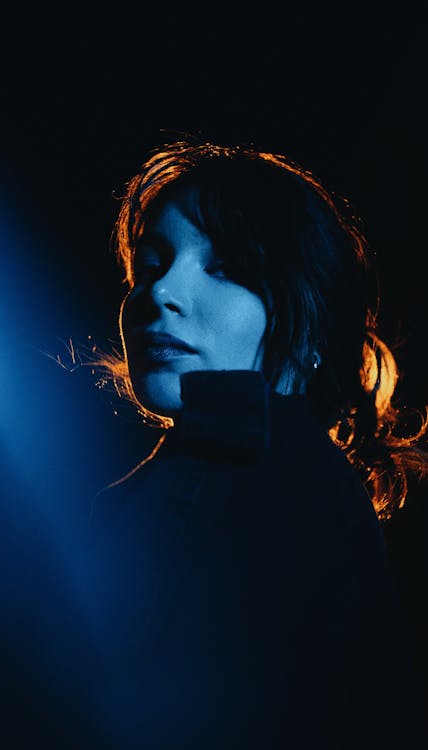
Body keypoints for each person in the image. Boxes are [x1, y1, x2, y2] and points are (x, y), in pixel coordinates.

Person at [85, 135, 428, 749]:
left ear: (309, 327)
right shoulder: (268, 477)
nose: (159, 294)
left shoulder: (253, 479)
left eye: (229, 269)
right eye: (151, 264)